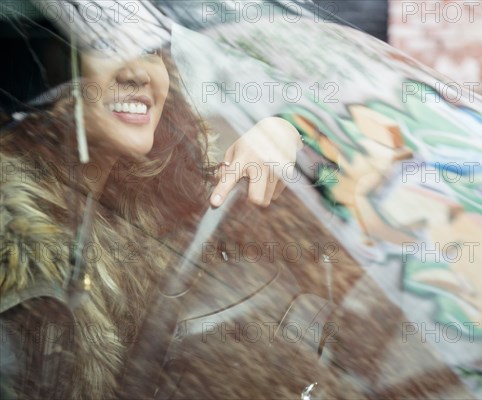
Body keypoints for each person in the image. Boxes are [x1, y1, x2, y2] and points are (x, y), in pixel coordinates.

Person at [0, 10, 301, 398]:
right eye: (106, 46)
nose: (138, 74)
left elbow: (335, 189)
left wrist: (287, 133)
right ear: (41, 73)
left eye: (148, 51)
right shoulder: (13, 243)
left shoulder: (171, 187)